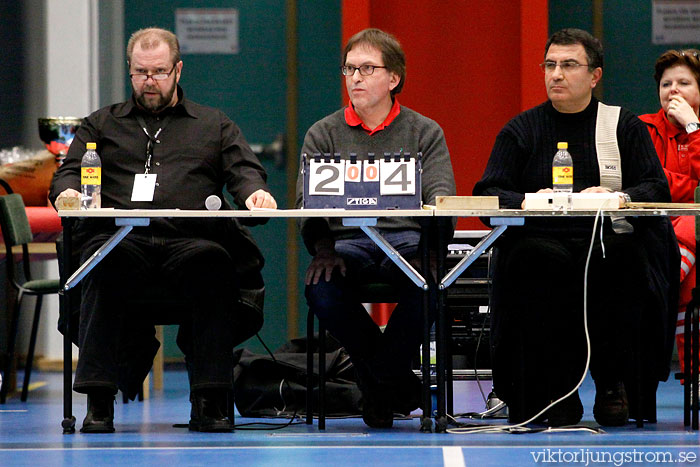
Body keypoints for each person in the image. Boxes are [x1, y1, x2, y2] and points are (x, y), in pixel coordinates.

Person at [49, 27, 277, 433]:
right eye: (140, 72)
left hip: (189, 242)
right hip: (122, 241)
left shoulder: (213, 124)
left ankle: (209, 399)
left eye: (158, 71)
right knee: (101, 261)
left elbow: (244, 172)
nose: (149, 81)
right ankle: (99, 401)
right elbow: (66, 175)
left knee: (214, 262)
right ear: (129, 71)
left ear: (178, 70)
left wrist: (255, 193)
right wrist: (67, 192)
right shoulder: (100, 125)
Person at [473, 28, 679, 427]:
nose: (556, 74)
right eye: (550, 65)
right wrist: (528, 200)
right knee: (536, 261)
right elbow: (488, 193)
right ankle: (553, 391)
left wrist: (619, 198)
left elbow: (657, 187)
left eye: (569, 65)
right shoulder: (522, 130)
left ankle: (612, 383)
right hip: (540, 243)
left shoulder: (622, 126)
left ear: (595, 75)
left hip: (606, 241)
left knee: (623, 262)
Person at [295, 28, 456, 428]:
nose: (356, 78)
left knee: (429, 288)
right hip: (346, 242)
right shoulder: (323, 133)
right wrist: (323, 248)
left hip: (407, 241)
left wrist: (431, 251)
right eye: (349, 69)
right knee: (321, 289)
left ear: (394, 79)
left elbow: (442, 199)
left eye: (367, 68)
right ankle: (396, 383)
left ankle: (378, 382)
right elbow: (305, 203)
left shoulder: (425, 132)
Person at [640, 49, 700, 378]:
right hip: (654, 229)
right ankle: (696, 374)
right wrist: (691, 185)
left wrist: (694, 128)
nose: (673, 90)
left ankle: (665, 279)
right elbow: (650, 183)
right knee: (690, 281)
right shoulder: (642, 129)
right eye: (666, 84)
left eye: (683, 83)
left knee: (693, 222)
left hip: (686, 234)